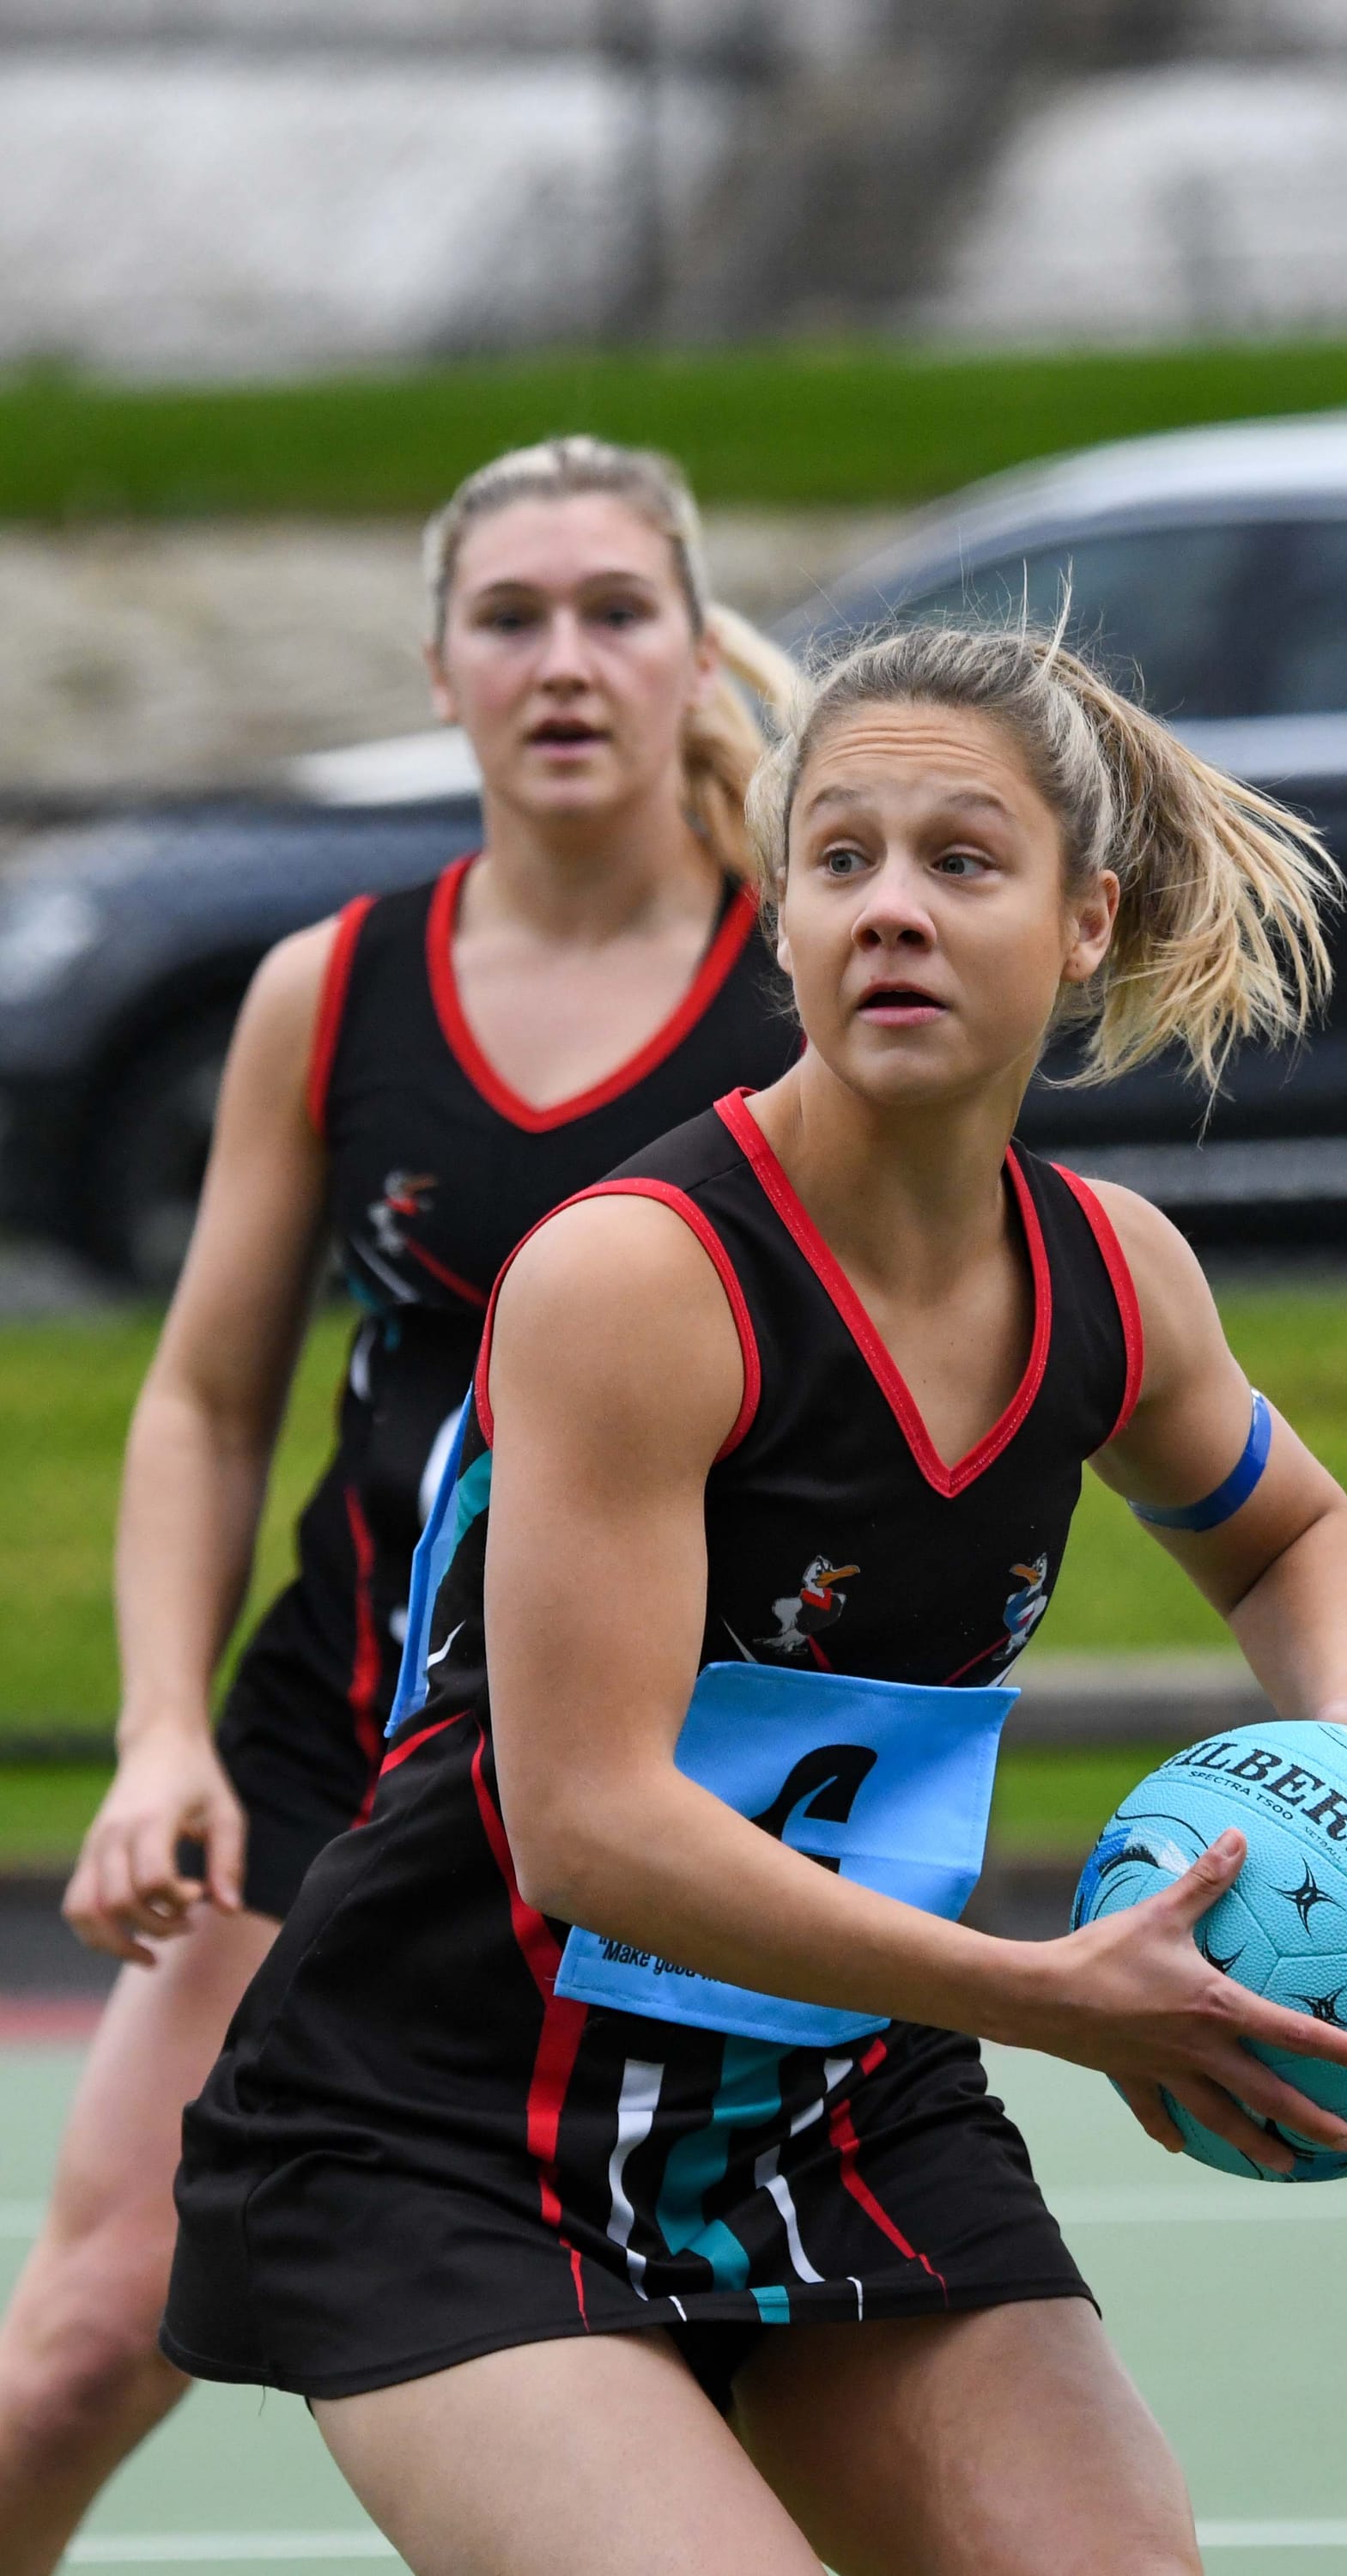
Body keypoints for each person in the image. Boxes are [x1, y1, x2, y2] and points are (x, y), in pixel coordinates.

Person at [161, 623, 1347, 2576]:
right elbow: (591, 1826)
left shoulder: (1116, 1280)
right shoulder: (641, 1279)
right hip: (449, 2123)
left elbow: (1290, 1535)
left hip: (829, 2103)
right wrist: (1048, 1998)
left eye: (962, 862)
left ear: (1082, 922)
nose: (891, 909)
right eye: (841, 861)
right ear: (782, 920)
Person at [0, 436, 798, 2576]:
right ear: (440, 671)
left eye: (615, 611)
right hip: (344, 1766)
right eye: (509, 619)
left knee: (733, 2416)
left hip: (679, 1805)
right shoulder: (336, 988)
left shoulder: (801, 989)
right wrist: (160, 1734)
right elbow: (204, 1399)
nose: (564, 661)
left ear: (692, 651)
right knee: (74, 2352)